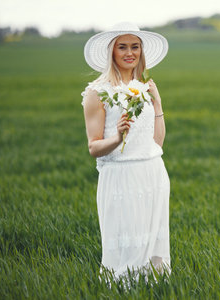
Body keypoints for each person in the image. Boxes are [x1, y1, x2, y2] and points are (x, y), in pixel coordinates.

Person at [81, 22, 170, 284]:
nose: (130, 53)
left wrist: (157, 103)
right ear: (112, 52)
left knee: (152, 242)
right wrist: (118, 137)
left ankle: (155, 288)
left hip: (153, 174)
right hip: (121, 176)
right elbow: (93, 147)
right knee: (126, 242)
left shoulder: (143, 88)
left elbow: (157, 143)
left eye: (135, 47)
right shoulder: (97, 93)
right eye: (123, 47)